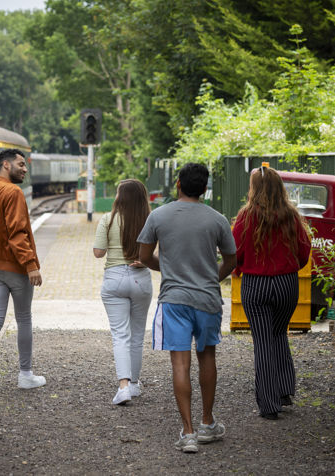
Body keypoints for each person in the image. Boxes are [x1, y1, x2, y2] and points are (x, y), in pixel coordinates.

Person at [138, 163, 237, 453]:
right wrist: (209, 278)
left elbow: (144, 256)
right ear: (205, 189)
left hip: (174, 300)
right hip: (207, 300)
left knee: (180, 364)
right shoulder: (217, 220)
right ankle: (208, 423)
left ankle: (188, 432)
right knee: (207, 358)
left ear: (178, 184)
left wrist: (168, 270)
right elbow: (231, 260)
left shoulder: (158, 215)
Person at [232, 165, 311, 420]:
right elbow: (303, 252)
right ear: (280, 188)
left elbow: (235, 252)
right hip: (287, 284)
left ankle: (268, 405)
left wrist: (239, 269)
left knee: (263, 341)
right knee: (279, 333)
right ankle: (285, 390)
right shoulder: (291, 216)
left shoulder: (246, 216)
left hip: (256, 284)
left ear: (254, 189)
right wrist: (288, 270)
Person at [0, 149, 46, 393]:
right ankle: (25, 375)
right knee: (23, 318)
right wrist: (31, 265)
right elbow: (16, 233)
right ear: (6, 165)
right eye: (20, 164)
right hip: (15, 267)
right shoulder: (12, 192)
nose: (25, 169)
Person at [93, 179, 153, 405]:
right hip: (141, 279)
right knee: (137, 335)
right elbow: (161, 250)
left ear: (120, 197)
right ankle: (135, 384)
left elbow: (99, 252)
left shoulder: (108, 219)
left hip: (114, 279)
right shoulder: (150, 219)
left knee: (120, 335)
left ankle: (124, 387)